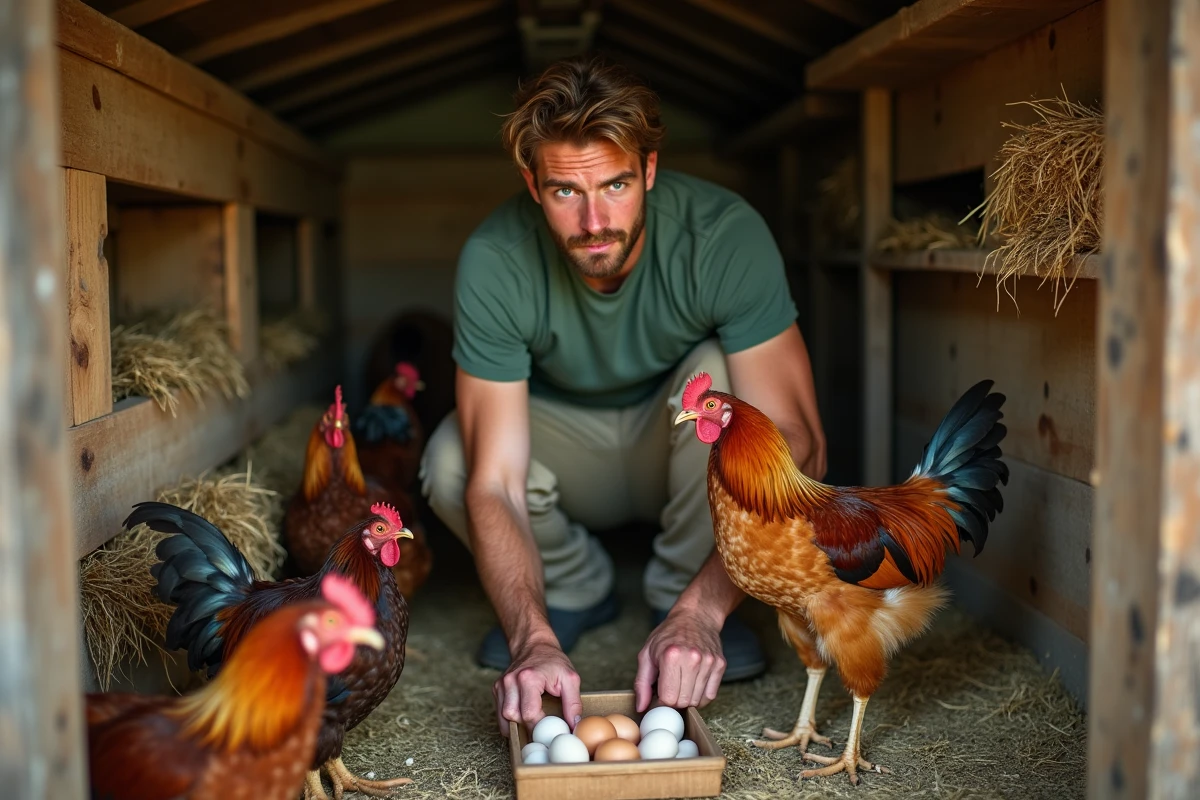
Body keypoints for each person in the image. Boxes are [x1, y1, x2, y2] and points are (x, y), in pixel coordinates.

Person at [418, 54, 826, 736]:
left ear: (650, 171)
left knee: (730, 394)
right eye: (564, 193)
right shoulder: (496, 257)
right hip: (563, 444)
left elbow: (800, 441)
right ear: (532, 184)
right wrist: (529, 638)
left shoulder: (722, 234)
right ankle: (573, 592)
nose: (594, 220)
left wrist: (704, 610)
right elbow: (495, 482)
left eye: (615, 185)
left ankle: (682, 605)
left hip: (679, 442)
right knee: (453, 459)